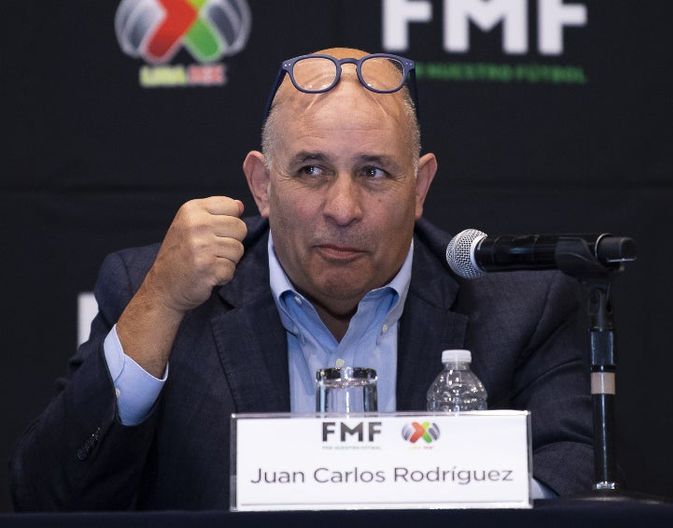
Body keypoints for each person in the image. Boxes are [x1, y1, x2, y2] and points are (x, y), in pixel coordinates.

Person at [11, 48, 593, 510]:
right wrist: (159, 304)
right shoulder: (160, 291)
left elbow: (574, 491)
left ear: (419, 187)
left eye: (374, 172)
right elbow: (46, 499)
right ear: (262, 185)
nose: (342, 208)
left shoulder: (520, 307)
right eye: (312, 169)